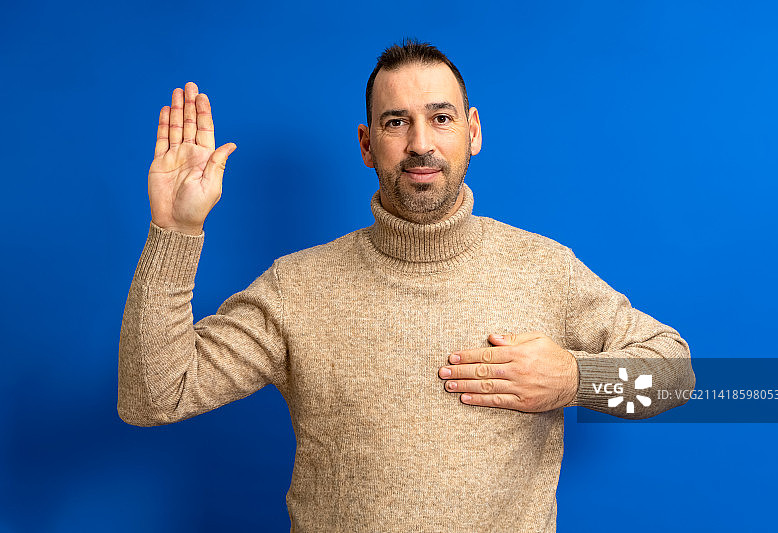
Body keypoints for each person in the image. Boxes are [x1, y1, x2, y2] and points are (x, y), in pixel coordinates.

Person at [119, 40, 695, 532]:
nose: (421, 142)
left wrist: (575, 378)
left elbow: (675, 378)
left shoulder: (546, 268)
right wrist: (175, 229)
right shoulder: (298, 285)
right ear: (368, 146)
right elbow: (154, 396)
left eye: (441, 118)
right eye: (397, 122)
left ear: (472, 132)